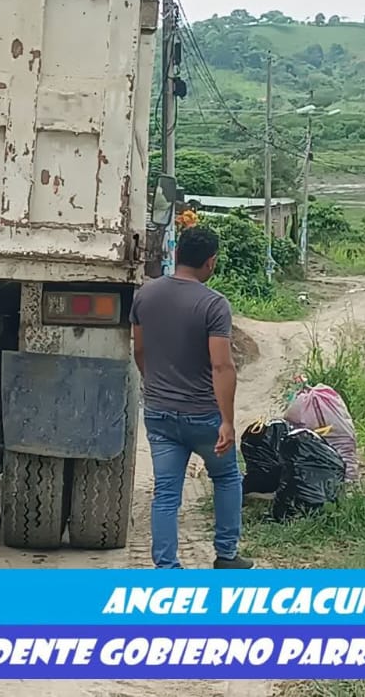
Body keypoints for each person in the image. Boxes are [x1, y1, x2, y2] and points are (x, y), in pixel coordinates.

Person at [130, 226, 254, 570]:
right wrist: (227, 421)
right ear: (210, 262)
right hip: (203, 416)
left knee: (166, 493)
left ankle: (167, 567)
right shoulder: (214, 304)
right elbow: (221, 365)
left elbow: (139, 349)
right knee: (226, 478)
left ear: (177, 253)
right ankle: (226, 555)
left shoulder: (145, 295)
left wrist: (156, 386)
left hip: (159, 414)